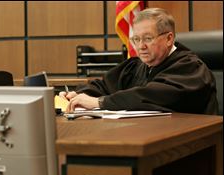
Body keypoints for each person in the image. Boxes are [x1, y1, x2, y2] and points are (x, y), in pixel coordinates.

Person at [59, 8, 218, 115]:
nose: (140, 46)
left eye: (148, 38)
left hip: (190, 149)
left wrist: (99, 102)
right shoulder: (136, 66)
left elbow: (149, 96)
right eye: (136, 39)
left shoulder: (190, 68)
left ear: (169, 38)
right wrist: (79, 94)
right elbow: (105, 85)